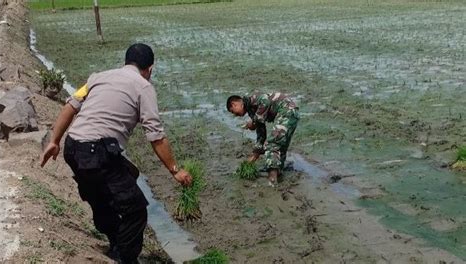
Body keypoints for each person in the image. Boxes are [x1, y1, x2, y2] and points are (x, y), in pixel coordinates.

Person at [40, 43, 192, 264]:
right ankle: (125, 258)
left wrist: (54, 141)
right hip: (96, 152)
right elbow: (156, 136)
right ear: (150, 69)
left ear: (126, 62)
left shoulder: (98, 77)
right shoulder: (143, 86)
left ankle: (115, 244)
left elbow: (70, 107)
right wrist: (175, 170)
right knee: (137, 210)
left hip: (73, 147)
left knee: (125, 177)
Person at [227, 92, 299, 187]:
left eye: (233, 111)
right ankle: (278, 171)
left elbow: (265, 100)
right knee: (281, 145)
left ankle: (272, 180)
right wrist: (256, 151)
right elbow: (261, 131)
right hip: (290, 113)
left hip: (286, 110)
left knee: (272, 145)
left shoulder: (253, 99)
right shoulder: (251, 110)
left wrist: (254, 122)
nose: (235, 115)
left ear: (234, 104)